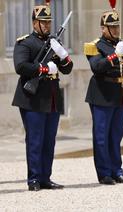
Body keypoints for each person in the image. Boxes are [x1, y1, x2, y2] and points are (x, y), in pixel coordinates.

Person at [12, 3, 73, 191]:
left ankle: (46, 177)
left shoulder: (55, 43)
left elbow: (68, 69)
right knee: (35, 140)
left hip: (52, 98)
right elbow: (20, 66)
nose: (46, 26)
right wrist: (44, 68)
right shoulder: (25, 42)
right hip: (33, 98)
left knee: (49, 140)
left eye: (48, 22)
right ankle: (34, 179)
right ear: (34, 23)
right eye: (42, 22)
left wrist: (63, 55)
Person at [83, 9, 123, 185]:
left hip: (120, 93)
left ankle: (117, 170)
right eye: (112, 27)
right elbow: (97, 67)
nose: (116, 29)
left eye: (117, 26)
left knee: (116, 135)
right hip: (102, 94)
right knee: (101, 136)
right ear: (103, 28)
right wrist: (115, 55)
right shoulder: (95, 46)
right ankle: (104, 173)